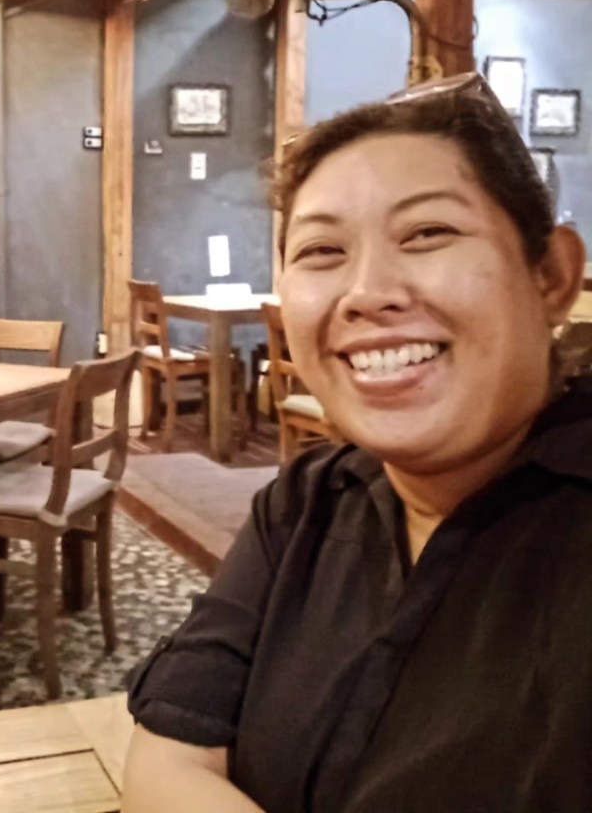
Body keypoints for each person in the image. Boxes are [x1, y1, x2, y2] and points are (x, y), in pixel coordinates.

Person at [123, 75, 590, 812]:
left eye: (428, 234)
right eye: (321, 250)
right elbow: (168, 755)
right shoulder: (306, 503)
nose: (368, 291)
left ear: (553, 276)